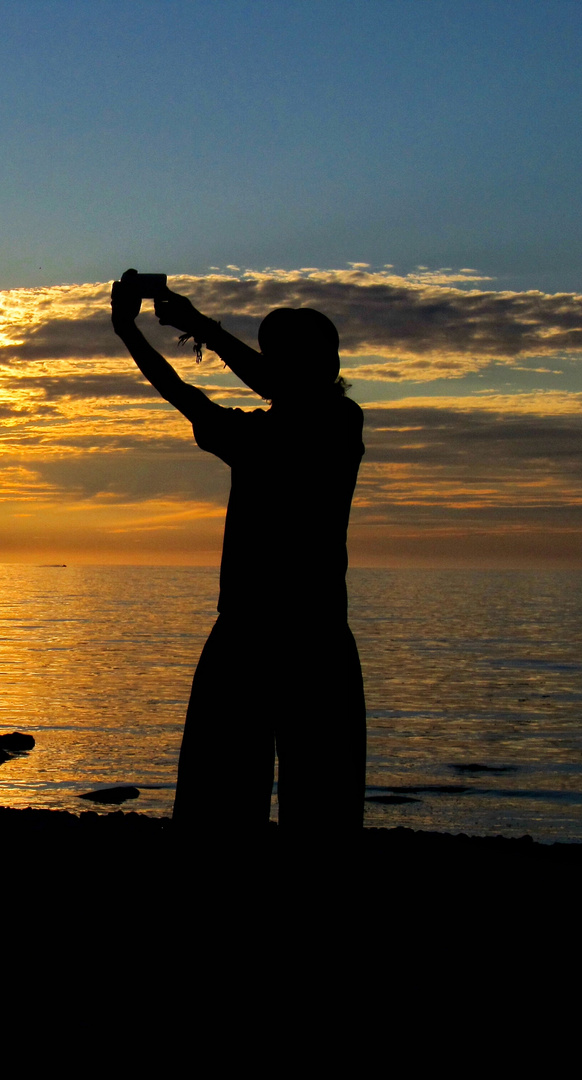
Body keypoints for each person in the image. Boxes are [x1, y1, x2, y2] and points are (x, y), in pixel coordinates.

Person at [110, 270, 365, 841]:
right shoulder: (342, 423)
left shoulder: (268, 438)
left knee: (221, 800)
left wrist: (131, 331)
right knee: (320, 803)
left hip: (255, 634)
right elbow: (272, 384)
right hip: (315, 634)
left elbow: (183, 393)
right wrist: (199, 327)